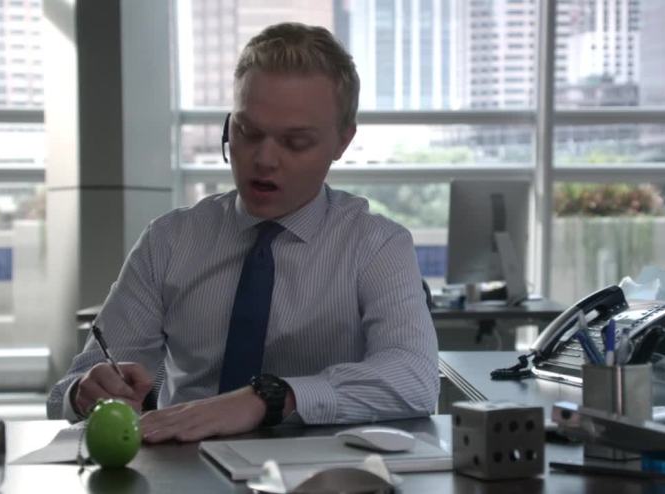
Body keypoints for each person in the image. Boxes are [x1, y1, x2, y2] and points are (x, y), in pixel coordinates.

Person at [47, 22, 439, 443]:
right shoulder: (169, 240)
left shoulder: (376, 245)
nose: (264, 159)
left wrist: (269, 398)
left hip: (325, 467)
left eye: (296, 142)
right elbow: (65, 394)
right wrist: (86, 391)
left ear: (343, 141)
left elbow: (414, 378)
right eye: (247, 132)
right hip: (183, 461)